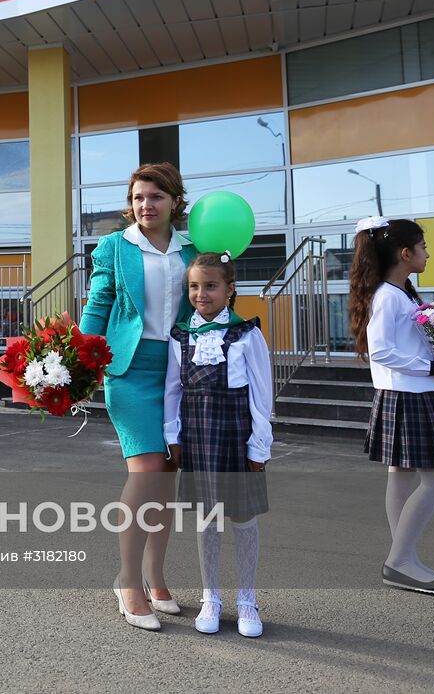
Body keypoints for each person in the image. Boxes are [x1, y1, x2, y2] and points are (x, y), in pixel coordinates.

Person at [78, 162, 198, 631]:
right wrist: (82, 365)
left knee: (167, 480)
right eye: (138, 198)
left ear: (174, 202)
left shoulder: (195, 249)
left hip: (181, 374)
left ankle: (156, 576)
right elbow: (98, 305)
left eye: (155, 197)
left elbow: (209, 302)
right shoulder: (114, 246)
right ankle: (127, 581)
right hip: (129, 371)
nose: (145, 206)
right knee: (146, 471)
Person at [349, 216, 434, 594]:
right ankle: (400, 561)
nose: (428, 254)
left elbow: (408, 345)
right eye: (423, 247)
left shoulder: (402, 293)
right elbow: (382, 351)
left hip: (409, 393)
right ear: (405, 253)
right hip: (405, 396)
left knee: (400, 475)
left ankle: (405, 558)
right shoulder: (387, 296)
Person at [164, 253, 272, 638]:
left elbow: (262, 393)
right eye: (194, 286)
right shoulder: (180, 336)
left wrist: (259, 446)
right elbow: (173, 391)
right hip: (198, 436)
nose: (201, 293)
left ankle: (247, 598)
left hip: (235, 435)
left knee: (243, 517)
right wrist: (172, 436)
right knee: (207, 518)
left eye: (210, 286)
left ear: (230, 290)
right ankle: (211, 596)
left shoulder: (246, 334)